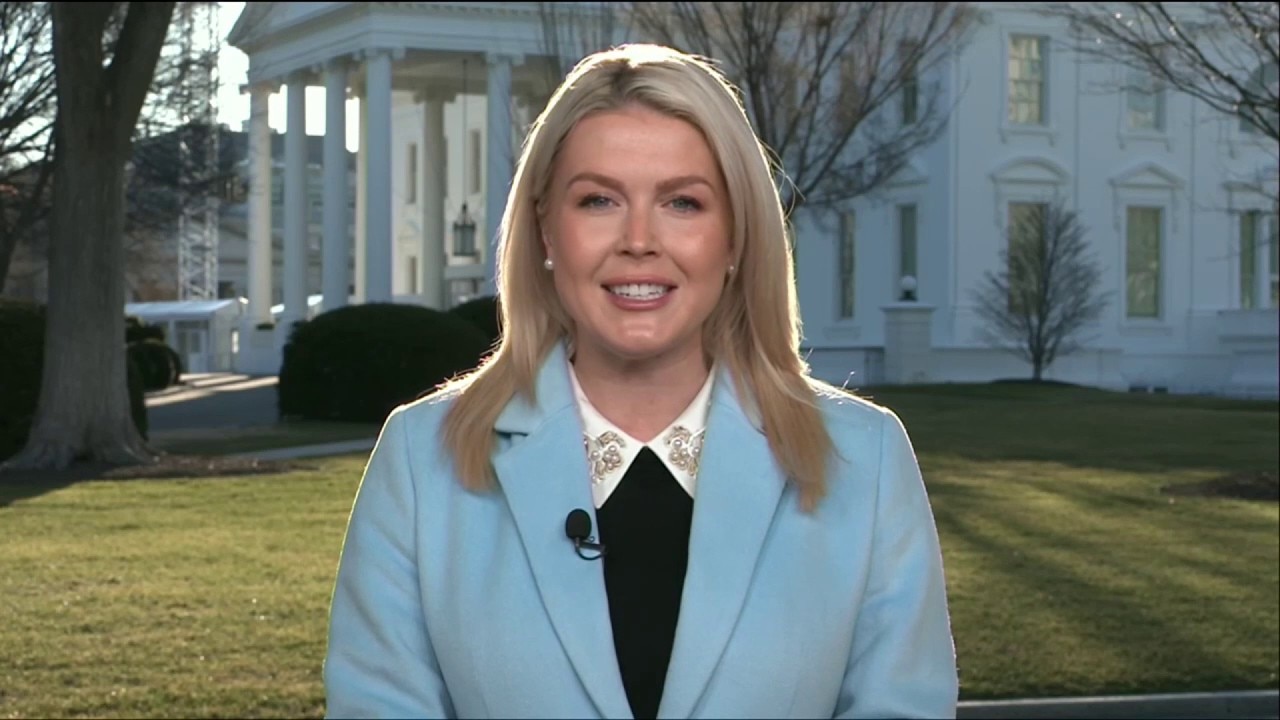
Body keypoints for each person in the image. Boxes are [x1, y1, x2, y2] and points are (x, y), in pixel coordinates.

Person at [323, 43, 957, 719]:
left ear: (736, 236)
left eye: (683, 203)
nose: (638, 240)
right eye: (598, 200)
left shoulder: (865, 458)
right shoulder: (421, 461)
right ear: (546, 230)